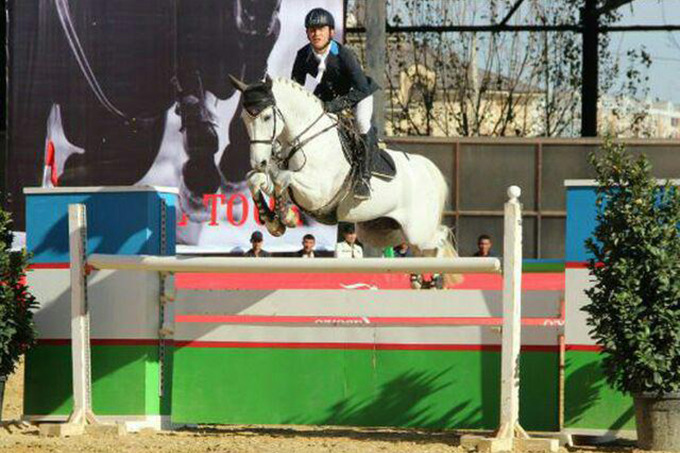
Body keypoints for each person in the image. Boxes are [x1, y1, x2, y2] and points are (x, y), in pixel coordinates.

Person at [291, 8, 380, 200]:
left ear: (331, 32)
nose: (316, 34)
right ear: (307, 33)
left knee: (362, 122)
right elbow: (295, 88)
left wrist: (337, 105)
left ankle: (364, 179)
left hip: (358, 95)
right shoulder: (303, 55)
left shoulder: (344, 55)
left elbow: (362, 88)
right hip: (329, 96)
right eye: (312, 29)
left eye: (321, 29)